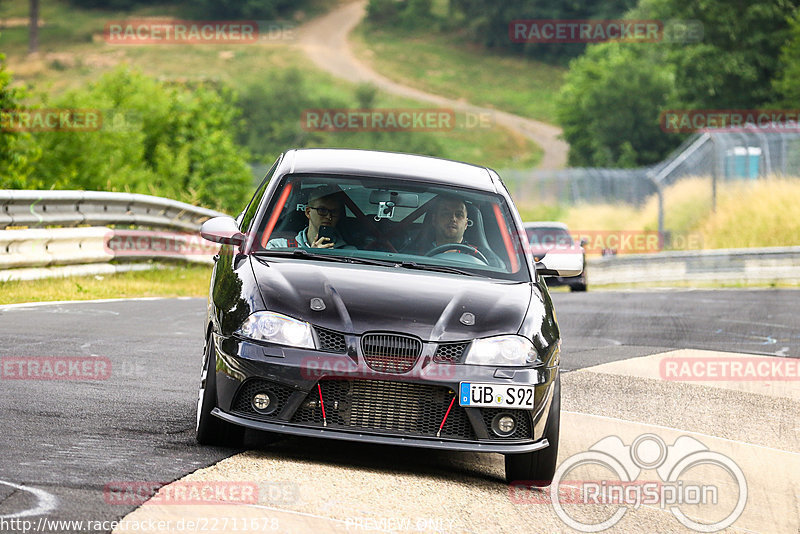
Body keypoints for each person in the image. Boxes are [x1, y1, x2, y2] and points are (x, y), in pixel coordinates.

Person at [266, 185, 353, 249]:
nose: (329, 216)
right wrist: (312, 255)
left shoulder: (351, 253)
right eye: (322, 210)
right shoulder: (278, 247)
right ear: (308, 212)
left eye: (334, 212)